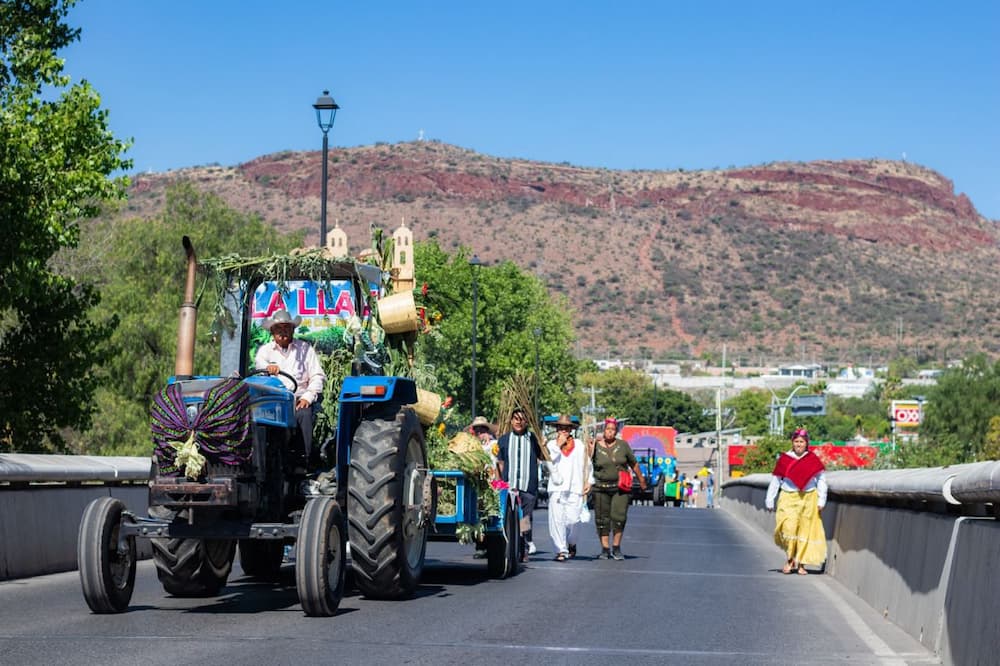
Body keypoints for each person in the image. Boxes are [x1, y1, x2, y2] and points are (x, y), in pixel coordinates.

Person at [254, 309, 326, 469]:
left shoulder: (305, 349)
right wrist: (268, 367)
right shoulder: (265, 351)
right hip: (273, 401)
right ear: (272, 331)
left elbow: (317, 375)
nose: (283, 332)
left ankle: (303, 462)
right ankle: (267, 463)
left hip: (297, 398)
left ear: (293, 330)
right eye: (279, 328)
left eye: (287, 328)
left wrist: (308, 396)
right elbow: (259, 365)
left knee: (304, 414)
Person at [765, 427, 828, 575]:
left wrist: (821, 500)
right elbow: (776, 480)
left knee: (806, 530)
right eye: (796, 441)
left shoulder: (812, 459)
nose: (799, 444)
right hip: (788, 496)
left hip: (809, 497)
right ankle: (790, 559)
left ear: (807, 443)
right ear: (792, 443)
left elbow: (821, 480)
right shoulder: (785, 459)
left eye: (802, 442)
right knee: (788, 527)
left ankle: (801, 564)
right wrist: (770, 499)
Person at [589, 417, 646, 560]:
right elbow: (586, 464)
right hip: (600, 488)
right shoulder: (594, 446)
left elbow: (634, 464)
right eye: (608, 429)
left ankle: (616, 547)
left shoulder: (623, 445)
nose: (610, 432)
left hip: (620, 488)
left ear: (616, 431)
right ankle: (605, 548)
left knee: (619, 517)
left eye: (613, 430)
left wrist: (642, 479)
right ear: (603, 431)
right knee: (602, 519)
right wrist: (589, 450)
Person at [496, 407, 543, 561]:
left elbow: (543, 457)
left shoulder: (533, 439)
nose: (519, 422)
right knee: (510, 518)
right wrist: (499, 483)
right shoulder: (504, 439)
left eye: (522, 419)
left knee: (525, 519)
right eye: (516, 418)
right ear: (511, 421)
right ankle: (512, 547)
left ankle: (524, 548)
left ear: (527, 421)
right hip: (509, 486)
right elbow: (500, 463)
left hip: (527, 485)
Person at [545, 414, 592, 561]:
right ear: (557, 429)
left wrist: (589, 481)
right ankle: (561, 550)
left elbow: (588, 465)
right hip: (557, 487)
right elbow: (547, 463)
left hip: (575, 487)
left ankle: (572, 543)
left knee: (573, 519)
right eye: (561, 428)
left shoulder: (579, 445)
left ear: (571, 429)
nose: (564, 430)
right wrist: (558, 445)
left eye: (566, 428)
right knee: (556, 520)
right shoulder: (551, 445)